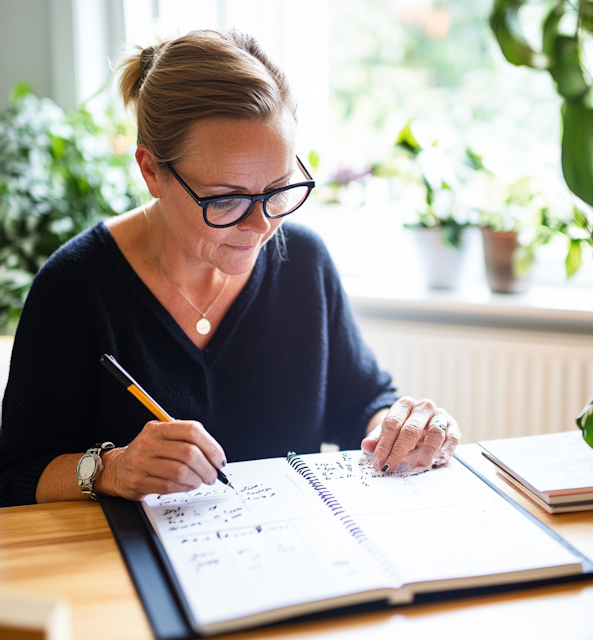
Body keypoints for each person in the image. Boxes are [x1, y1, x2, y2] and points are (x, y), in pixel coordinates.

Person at [0, 29, 460, 507]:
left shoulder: (303, 262)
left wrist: (403, 426)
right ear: (151, 171)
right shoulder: (74, 286)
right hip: (123, 574)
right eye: (226, 200)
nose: (261, 225)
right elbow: (14, 472)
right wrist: (112, 469)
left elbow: (362, 403)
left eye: (279, 189)